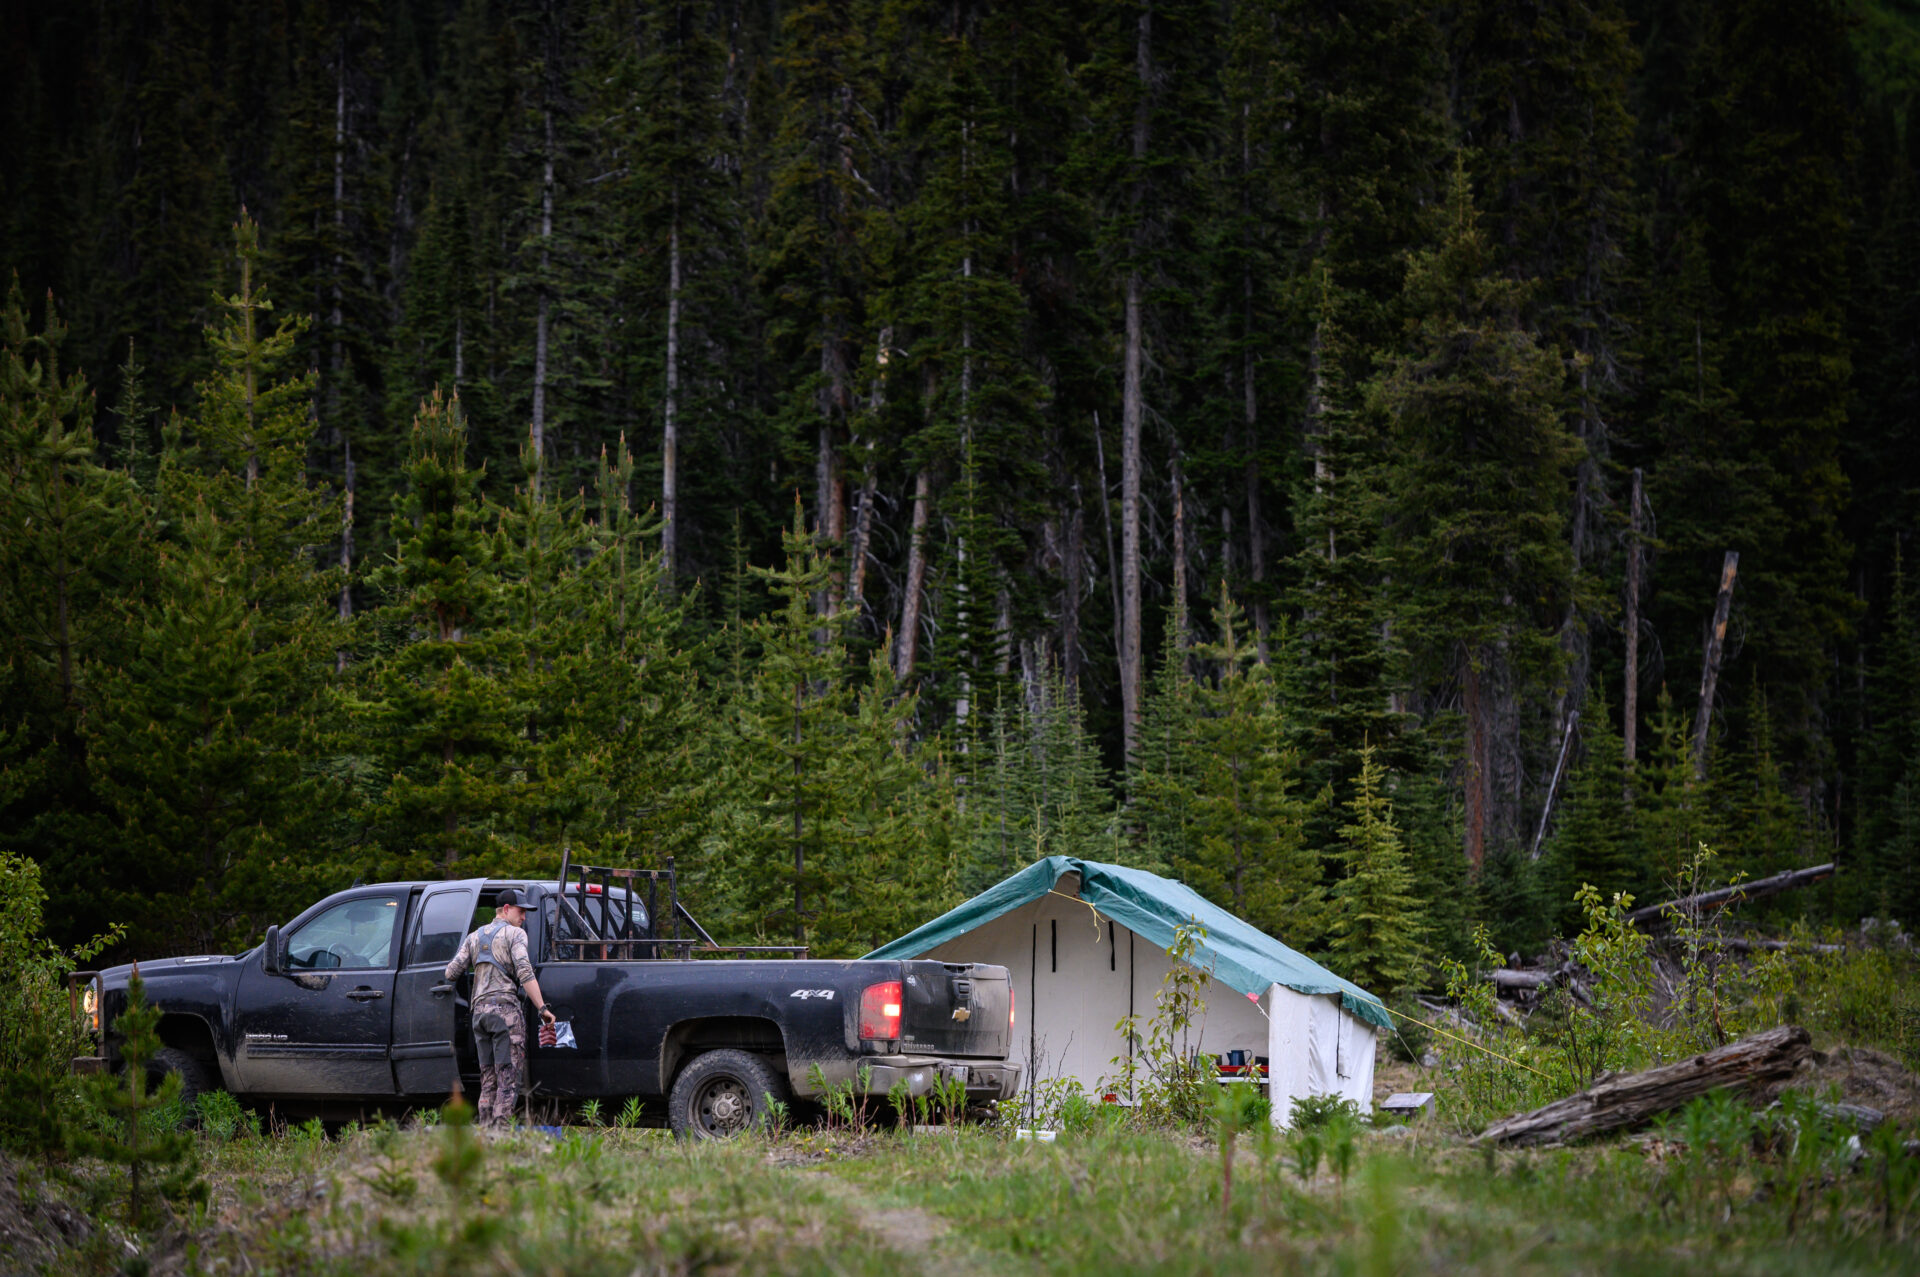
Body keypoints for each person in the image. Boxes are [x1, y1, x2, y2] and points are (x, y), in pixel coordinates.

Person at [443, 888, 556, 1128]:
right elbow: (525, 971)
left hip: (479, 1015)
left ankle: (485, 1131)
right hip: (504, 1013)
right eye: (521, 911)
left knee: (488, 1078)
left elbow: (450, 972)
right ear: (506, 909)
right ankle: (501, 1132)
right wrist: (542, 1008)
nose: (524, 917)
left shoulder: (474, 936)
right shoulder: (514, 934)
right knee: (508, 1078)